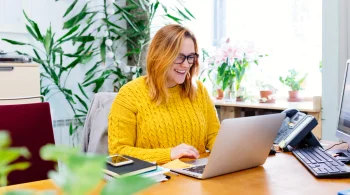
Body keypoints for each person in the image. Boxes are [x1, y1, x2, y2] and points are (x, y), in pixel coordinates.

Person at [108, 24, 220, 164]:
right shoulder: (129, 94)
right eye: (179, 57)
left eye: (191, 57)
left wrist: (232, 152)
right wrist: (169, 153)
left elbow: (215, 136)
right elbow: (118, 152)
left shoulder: (199, 90)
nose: (186, 65)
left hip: (196, 177)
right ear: (160, 56)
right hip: (157, 180)